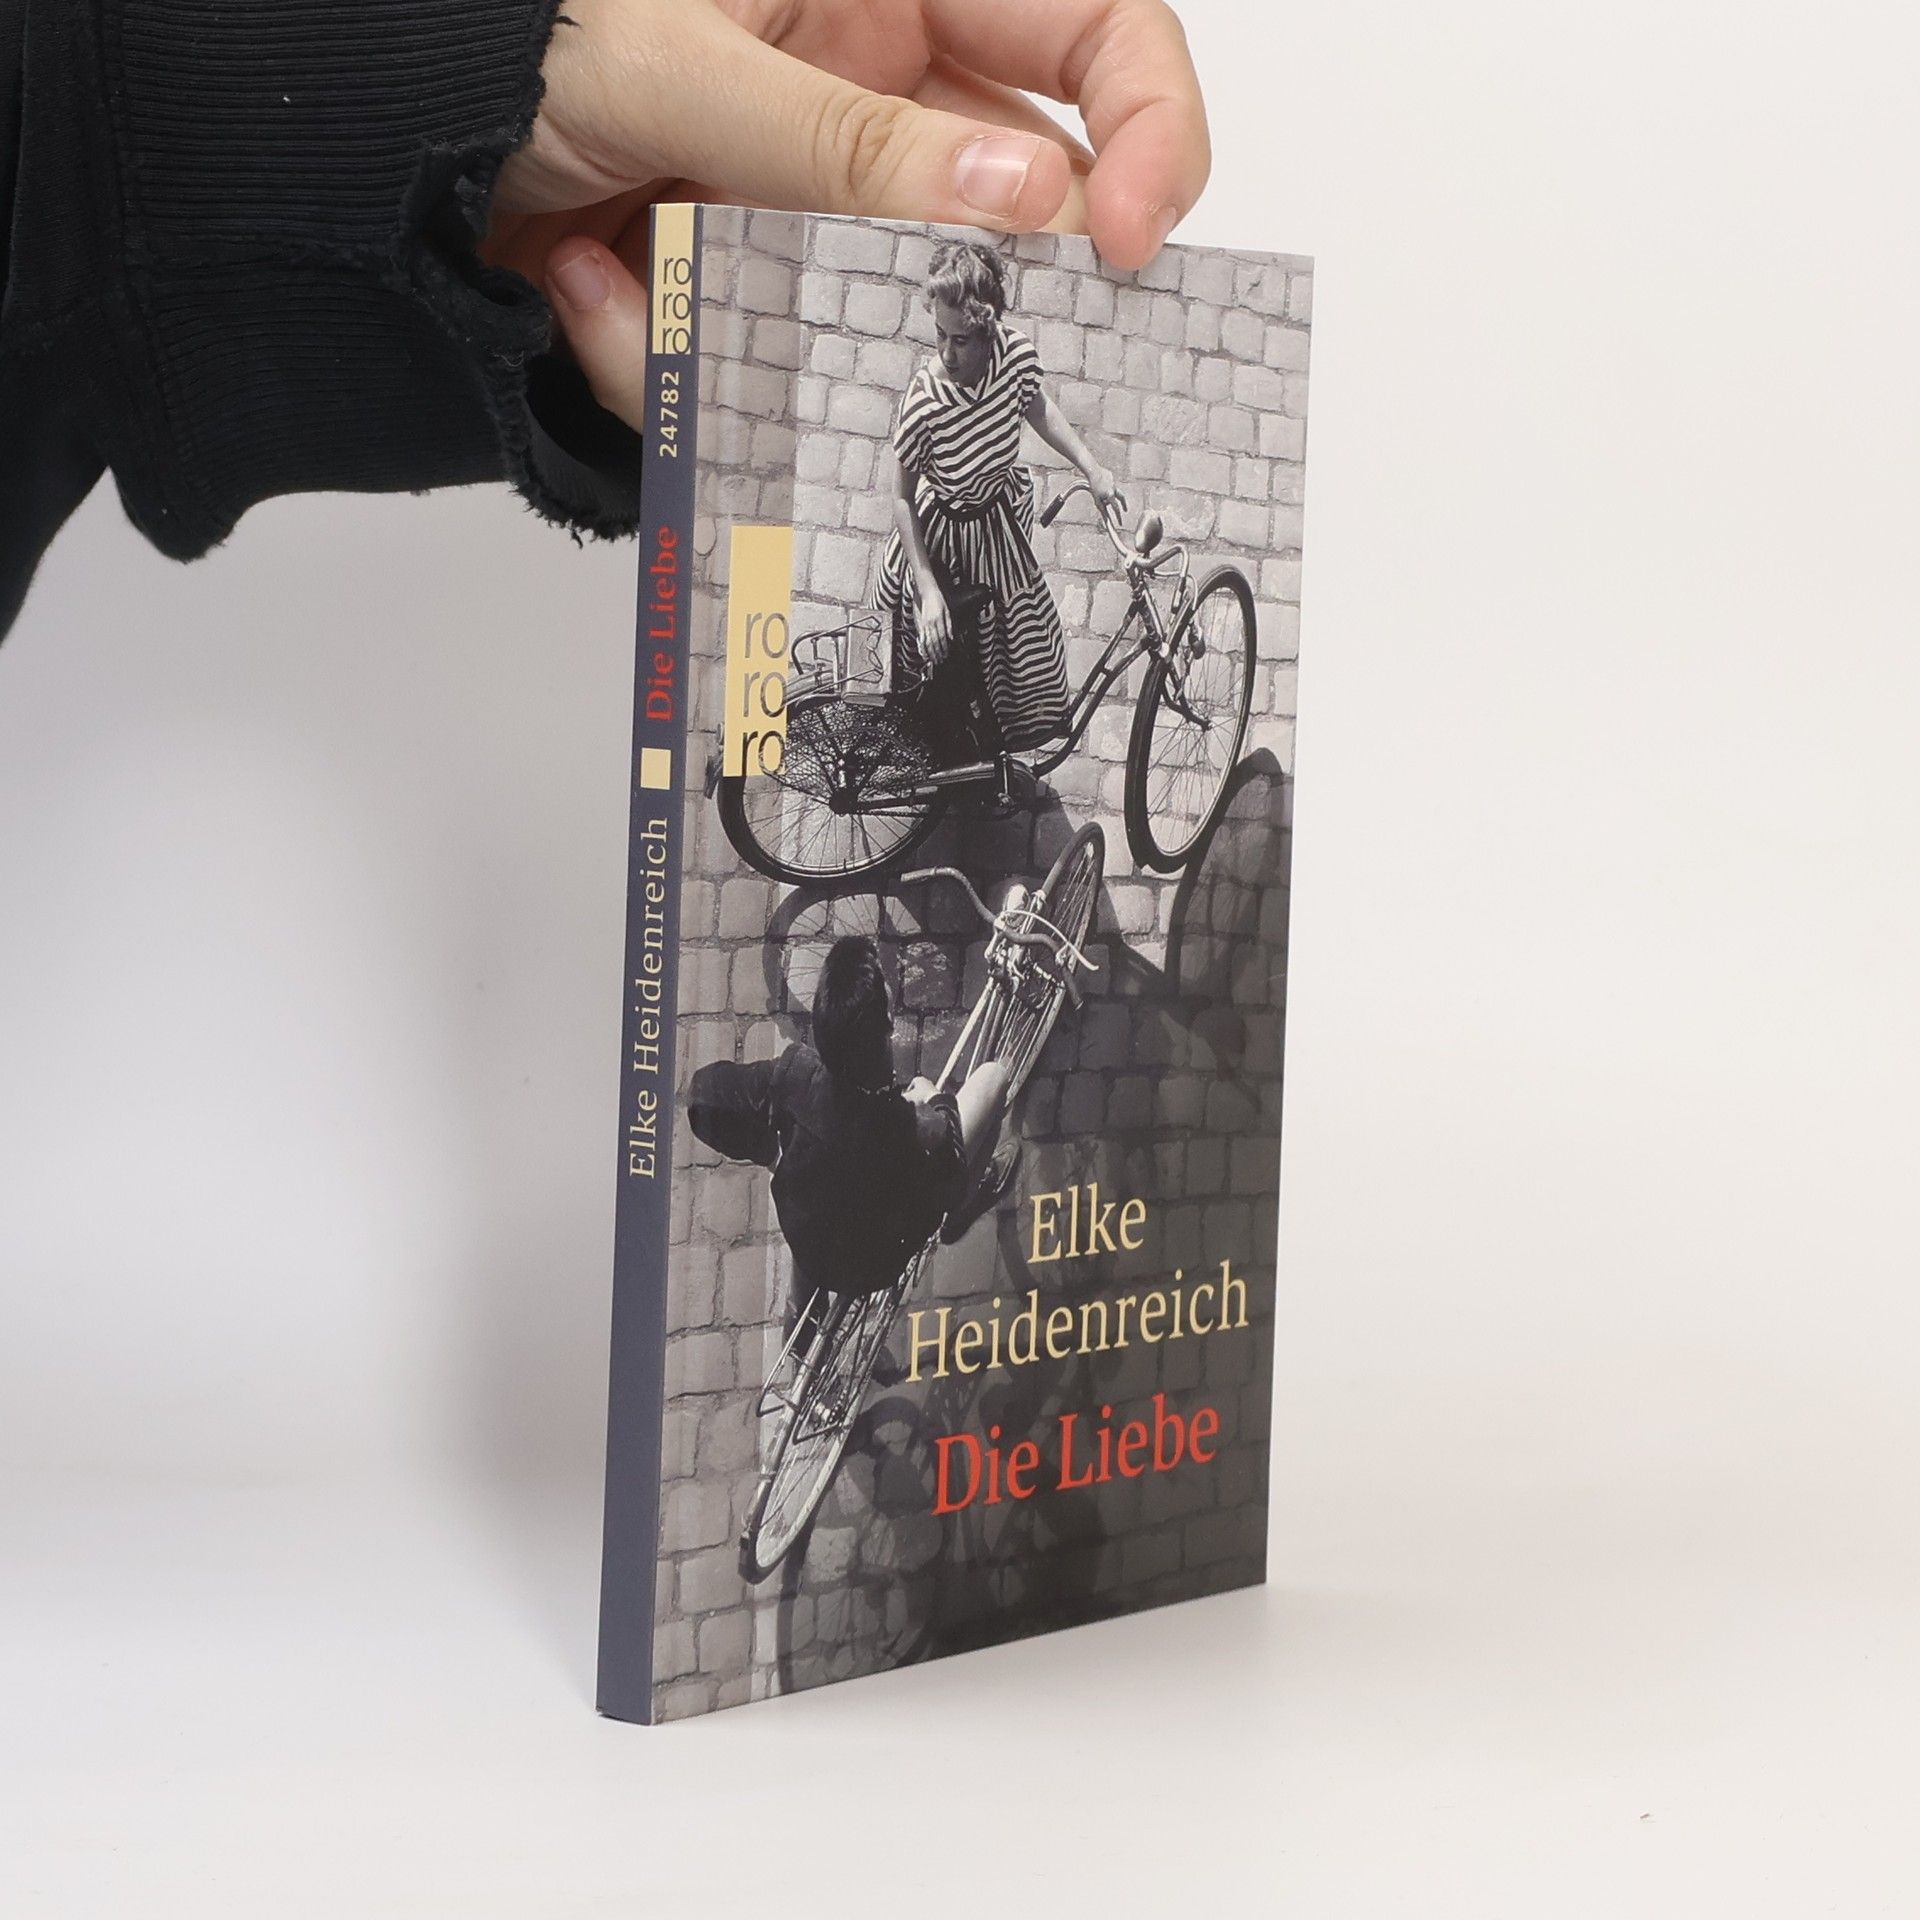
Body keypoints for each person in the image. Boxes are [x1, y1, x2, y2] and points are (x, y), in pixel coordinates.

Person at [0, 0, 1210, 643]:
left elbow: (1049, 419)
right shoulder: (931, 394)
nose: (961, 328)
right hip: (952, 555)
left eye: (966, 315)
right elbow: (900, 485)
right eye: (952, 314)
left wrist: (470, 187)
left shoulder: (1011, 365)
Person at [870, 239, 1124, 761]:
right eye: (939, 335)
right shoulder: (924, 403)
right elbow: (902, 498)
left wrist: (1092, 467)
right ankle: (938, 755)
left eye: (961, 340)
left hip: (998, 524)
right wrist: (927, 589)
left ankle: (994, 746)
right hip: (942, 535)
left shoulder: (1014, 356)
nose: (947, 353)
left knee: (1017, 643)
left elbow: (1038, 407)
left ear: (989, 331)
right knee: (938, 657)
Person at [687, 935, 1015, 1307]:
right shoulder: (907, 1127)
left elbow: (703, 1095)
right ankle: (960, 1219)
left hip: (812, 1241)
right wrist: (937, 1104)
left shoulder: (795, 1075)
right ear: (888, 1023)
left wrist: (771, 1155)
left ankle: (799, 1315)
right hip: (877, 1261)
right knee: (993, 1077)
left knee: (817, 1211)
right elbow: (950, 1182)